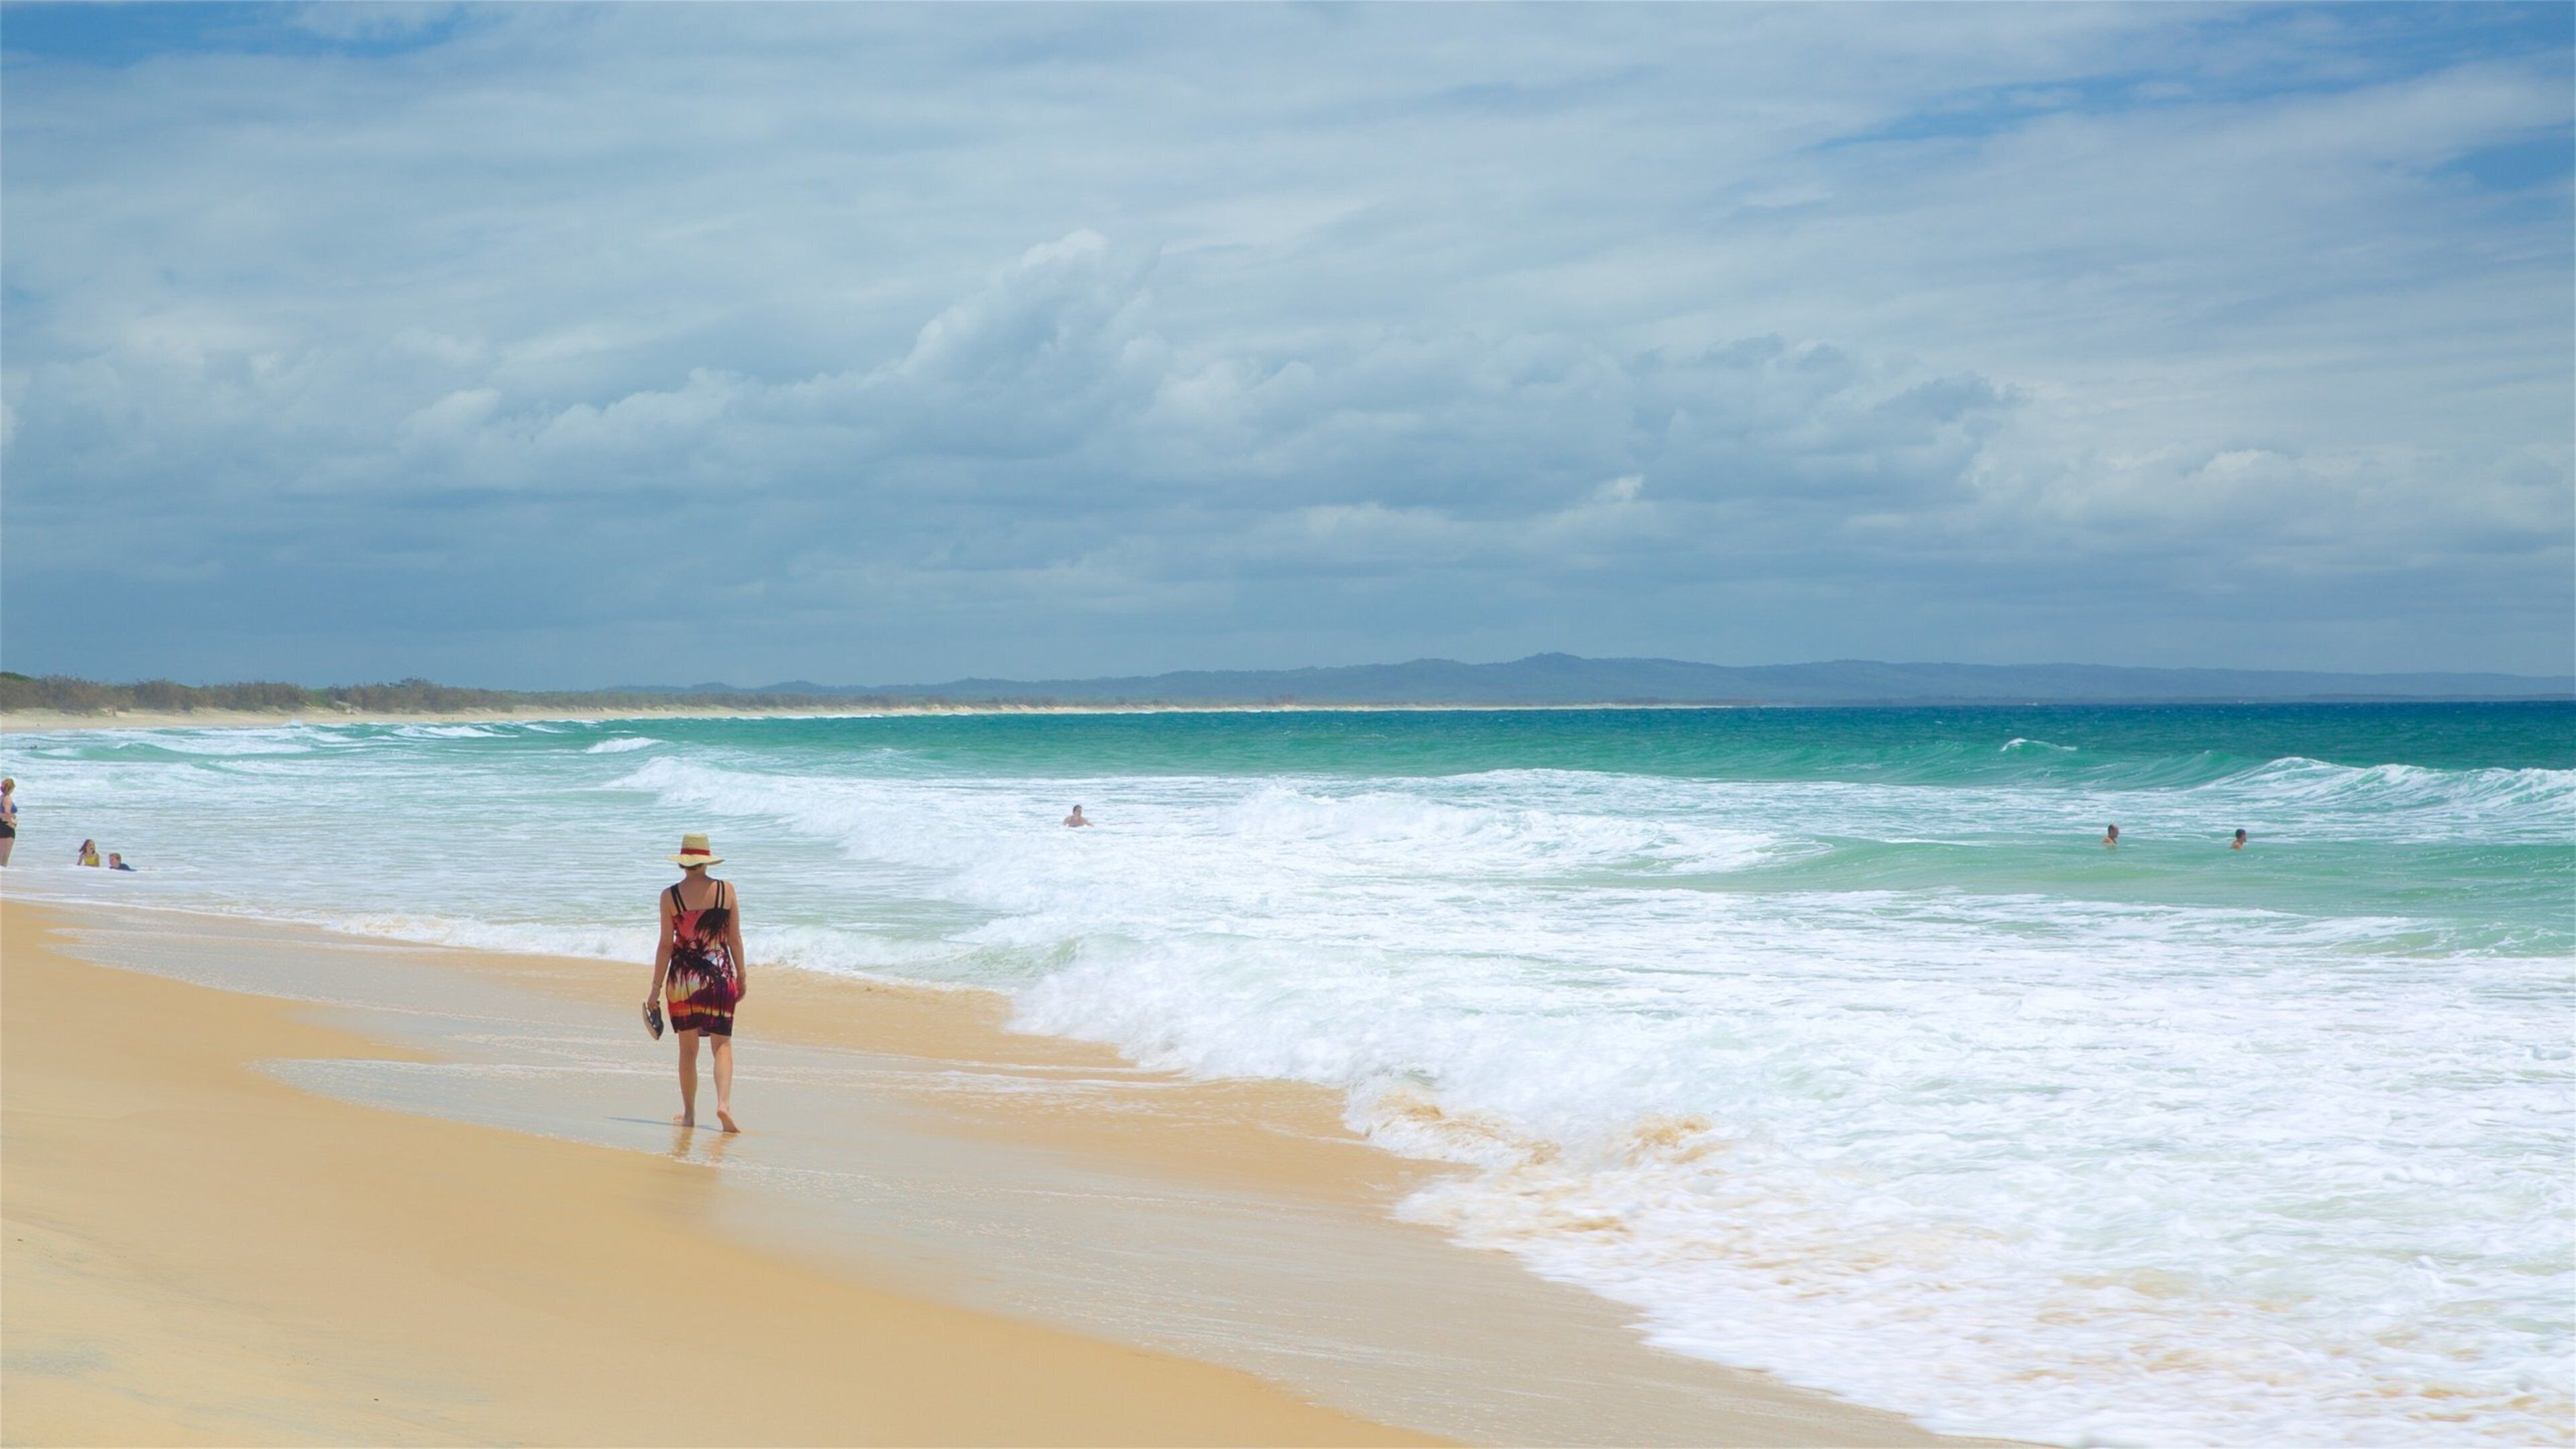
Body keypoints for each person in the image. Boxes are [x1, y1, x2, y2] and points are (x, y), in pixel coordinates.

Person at [644, 833, 746, 1132]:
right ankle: (723, 1105)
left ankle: (689, 1115)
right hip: (719, 973)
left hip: (683, 979)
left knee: (688, 1051)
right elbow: (734, 940)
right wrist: (742, 975)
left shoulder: (670, 897)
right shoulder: (726, 891)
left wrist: (654, 990)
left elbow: (666, 945)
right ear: (706, 860)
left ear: (683, 863)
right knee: (722, 1044)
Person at [0, 778, 17, 868]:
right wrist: (12, 823)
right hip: (7, 828)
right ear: (11, 788)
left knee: (1, 856)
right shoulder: (8, 798)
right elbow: (7, 813)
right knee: (4, 857)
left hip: (1, 826)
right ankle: (4, 877)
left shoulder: (1, 797)